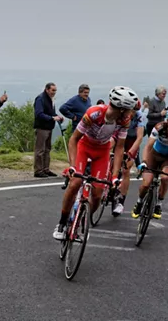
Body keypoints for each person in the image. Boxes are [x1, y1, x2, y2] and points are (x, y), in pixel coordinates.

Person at [53, 87, 138, 240]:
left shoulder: (124, 120)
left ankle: (81, 220)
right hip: (84, 147)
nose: (130, 113)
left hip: (102, 151)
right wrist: (72, 166)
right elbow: (74, 140)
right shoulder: (94, 112)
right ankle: (62, 222)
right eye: (129, 109)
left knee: (98, 193)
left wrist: (113, 176)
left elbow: (119, 147)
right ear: (121, 108)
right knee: (75, 183)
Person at [132, 106, 168, 220]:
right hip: (154, 155)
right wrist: (144, 162)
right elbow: (148, 147)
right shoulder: (159, 127)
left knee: (165, 178)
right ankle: (139, 202)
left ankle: (159, 204)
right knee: (146, 184)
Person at [114, 98, 145, 215]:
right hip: (119, 137)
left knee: (126, 170)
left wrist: (131, 152)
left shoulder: (139, 116)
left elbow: (140, 137)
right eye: (130, 110)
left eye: (134, 111)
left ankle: (121, 202)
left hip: (131, 140)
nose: (131, 114)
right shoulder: (121, 113)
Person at [33, 83, 64, 178]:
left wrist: (56, 116)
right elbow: (39, 113)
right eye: (52, 90)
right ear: (47, 89)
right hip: (42, 127)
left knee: (47, 149)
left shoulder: (50, 99)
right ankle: (38, 170)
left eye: (55, 90)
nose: (54, 92)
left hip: (49, 127)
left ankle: (45, 169)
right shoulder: (40, 98)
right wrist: (51, 118)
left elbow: (50, 112)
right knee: (40, 150)